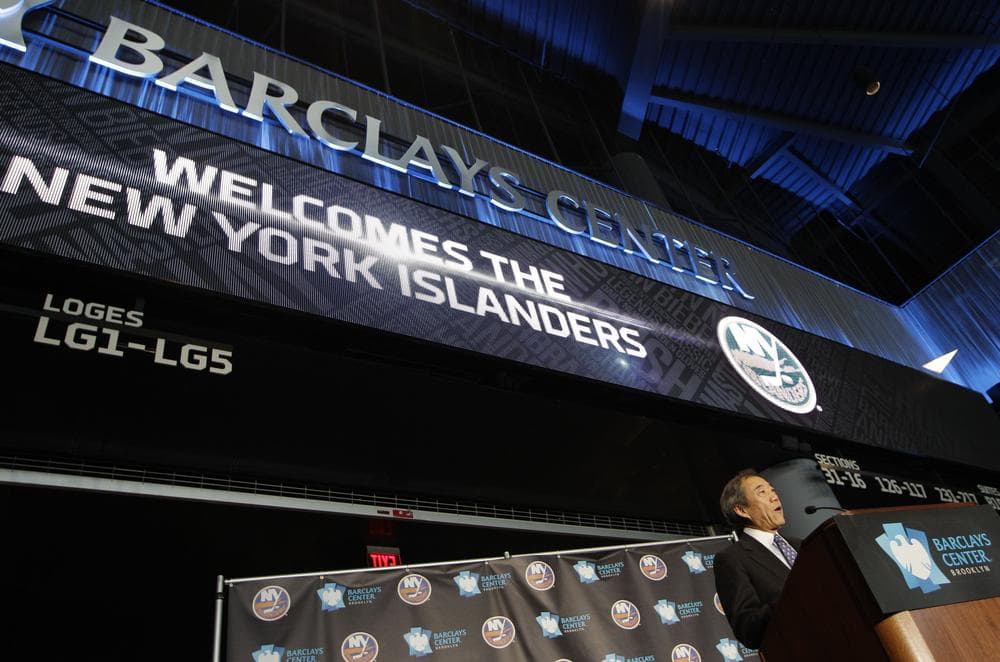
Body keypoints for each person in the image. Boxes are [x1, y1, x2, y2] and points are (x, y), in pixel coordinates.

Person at [713, 469, 801, 649]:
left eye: (773, 490)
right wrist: (792, 598)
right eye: (762, 492)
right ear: (741, 509)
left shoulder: (801, 545)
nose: (774, 497)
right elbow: (748, 629)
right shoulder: (732, 559)